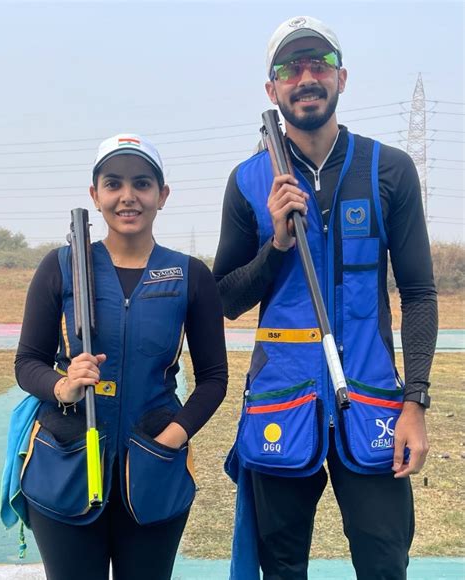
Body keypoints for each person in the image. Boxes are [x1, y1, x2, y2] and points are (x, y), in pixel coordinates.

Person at [213, 16, 437, 580]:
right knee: (280, 568)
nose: (305, 78)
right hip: (280, 404)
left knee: (385, 565)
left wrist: (416, 403)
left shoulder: (389, 169)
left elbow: (419, 293)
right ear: (272, 89)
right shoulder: (248, 181)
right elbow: (225, 298)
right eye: (291, 68)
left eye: (319, 65)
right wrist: (277, 245)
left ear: (341, 78)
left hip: (374, 408)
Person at [14, 133, 228, 580]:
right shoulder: (61, 266)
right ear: (95, 195)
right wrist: (61, 385)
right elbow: (27, 361)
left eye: (142, 183)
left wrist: (175, 435)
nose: (127, 196)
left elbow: (213, 378)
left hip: (154, 466)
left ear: (162, 195)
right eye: (113, 184)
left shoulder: (191, 275)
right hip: (67, 462)